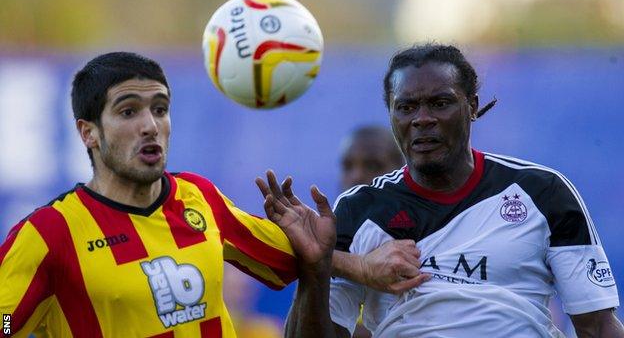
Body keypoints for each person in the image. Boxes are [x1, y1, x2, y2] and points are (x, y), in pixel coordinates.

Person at [257, 44, 624, 337]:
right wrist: (316, 266)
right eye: (407, 107)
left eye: (440, 102)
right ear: (391, 115)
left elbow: (598, 326)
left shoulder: (544, 193)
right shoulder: (358, 210)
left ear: (473, 107)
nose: (422, 119)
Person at [0, 52, 338, 337]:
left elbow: (299, 260)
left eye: (160, 109)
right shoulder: (49, 234)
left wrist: (365, 267)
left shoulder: (198, 196)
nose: (150, 125)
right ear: (88, 132)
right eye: (128, 111)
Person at [339, 125, 405, 338]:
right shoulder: (329, 246)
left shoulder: (427, 241)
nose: (356, 176)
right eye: (348, 166)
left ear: (402, 170)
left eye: (372, 165)